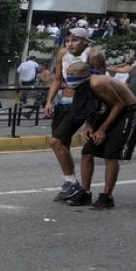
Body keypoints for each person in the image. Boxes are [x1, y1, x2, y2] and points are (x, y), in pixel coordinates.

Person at [58, 61, 136, 209]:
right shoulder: (83, 85)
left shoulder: (97, 83)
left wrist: (102, 129)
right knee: (87, 151)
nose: (70, 78)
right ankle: (85, 192)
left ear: (84, 73)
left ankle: (106, 197)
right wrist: (89, 125)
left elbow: (119, 105)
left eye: (73, 75)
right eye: (68, 74)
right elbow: (93, 106)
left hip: (127, 111)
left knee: (111, 154)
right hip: (111, 112)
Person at [45, 27, 101, 203]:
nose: (70, 44)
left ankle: (72, 183)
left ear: (85, 41)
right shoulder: (62, 53)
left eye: (75, 40)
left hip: (83, 103)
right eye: (68, 40)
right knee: (63, 145)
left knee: (56, 141)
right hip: (64, 102)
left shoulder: (93, 56)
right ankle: (70, 183)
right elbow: (57, 80)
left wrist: (91, 120)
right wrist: (50, 100)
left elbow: (100, 85)